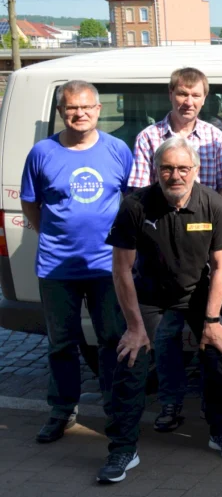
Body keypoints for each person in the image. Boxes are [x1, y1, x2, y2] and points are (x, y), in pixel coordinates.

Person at [102, 136, 222, 484]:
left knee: (219, 354)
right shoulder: (135, 206)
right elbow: (121, 270)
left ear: (195, 170)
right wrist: (134, 327)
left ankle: (221, 430)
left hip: (198, 296)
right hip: (149, 297)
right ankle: (123, 448)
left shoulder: (213, 204)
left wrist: (212, 321)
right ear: (155, 171)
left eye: (183, 168)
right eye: (167, 168)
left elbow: (221, 267)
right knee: (131, 360)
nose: (175, 175)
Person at [21, 81, 134, 444]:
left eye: (86, 107)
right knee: (61, 343)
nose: (79, 113)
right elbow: (30, 202)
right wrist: (53, 235)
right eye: (71, 108)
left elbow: (131, 202)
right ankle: (61, 410)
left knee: (112, 340)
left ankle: (115, 408)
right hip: (57, 268)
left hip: (108, 268)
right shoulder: (42, 152)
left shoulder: (118, 150)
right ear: (61, 112)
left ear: (99, 110)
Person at [127, 67, 222, 434]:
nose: (188, 101)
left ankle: (217, 413)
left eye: (195, 95)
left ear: (205, 98)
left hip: (204, 252)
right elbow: (141, 195)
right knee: (165, 342)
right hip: (159, 254)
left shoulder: (216, 138)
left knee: (214, 339)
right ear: (170, 95)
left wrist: (206, 223)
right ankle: (171, 404)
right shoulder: (148, 137)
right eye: (181, 94)